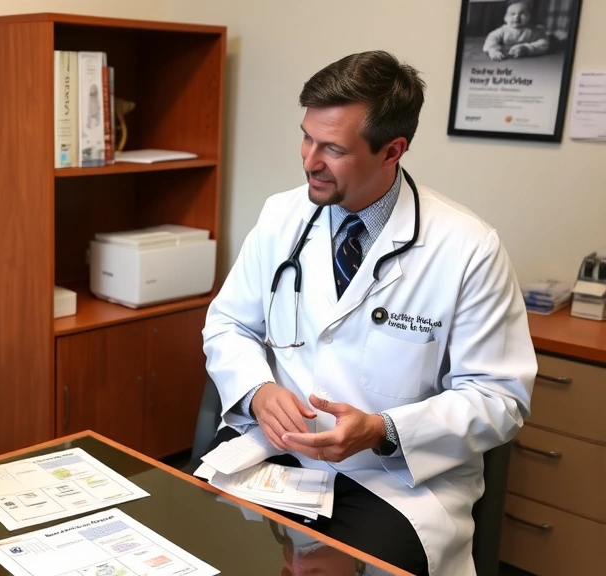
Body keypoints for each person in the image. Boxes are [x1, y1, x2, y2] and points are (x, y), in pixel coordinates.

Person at [201, 51, 535, 576]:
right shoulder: (280, 215)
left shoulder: (468, 247)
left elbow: (500, 398)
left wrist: (382, 430)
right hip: (275, 456)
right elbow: (228, 324)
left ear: (392, 151)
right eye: (307, 136)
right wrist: (257, 391)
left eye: (332, 147)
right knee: (191, 547)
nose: (309, 160)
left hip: (391, 481)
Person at [483, 0, 550, 61]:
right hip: (507, 56)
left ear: (529, 16)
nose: (517, 16)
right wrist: (493, 51)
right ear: (505, 18)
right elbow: (490, 39)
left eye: (522, 13)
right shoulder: (503, 30)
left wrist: (527, 48)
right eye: (512, 14)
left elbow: (544, 43)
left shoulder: (533, 31)